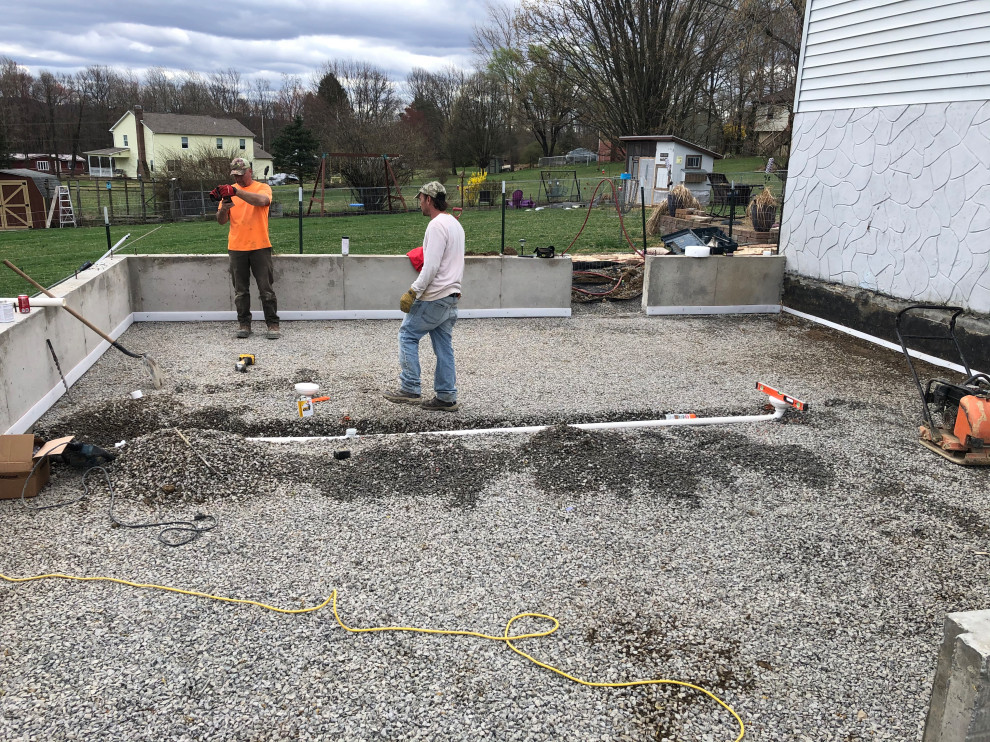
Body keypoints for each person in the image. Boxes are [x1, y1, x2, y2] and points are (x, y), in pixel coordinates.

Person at [384, 181, 465, 411]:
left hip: (435, 296)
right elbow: (455, 262)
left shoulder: (436, 225)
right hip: (451, 296)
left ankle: (410, 388)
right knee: (443, 346)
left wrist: (413, 291)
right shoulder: (455, 225)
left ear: (429, 199)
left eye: (420, 199)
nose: (419, 203)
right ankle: (446, 396)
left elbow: (430, 267)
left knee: (407, 335)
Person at [216, 157, 280, 340]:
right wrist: (223, 209)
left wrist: (236, 192)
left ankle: (273, 324)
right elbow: (221, 221)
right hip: (236, 247)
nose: (238, 179)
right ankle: (244, 324)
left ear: (250, 172)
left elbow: (262, 201)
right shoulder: (228, 192)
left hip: (260, 246)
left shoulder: (262, 188)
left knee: (266, 289)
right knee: (240, 291)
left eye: (241, 175)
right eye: (235, 175)